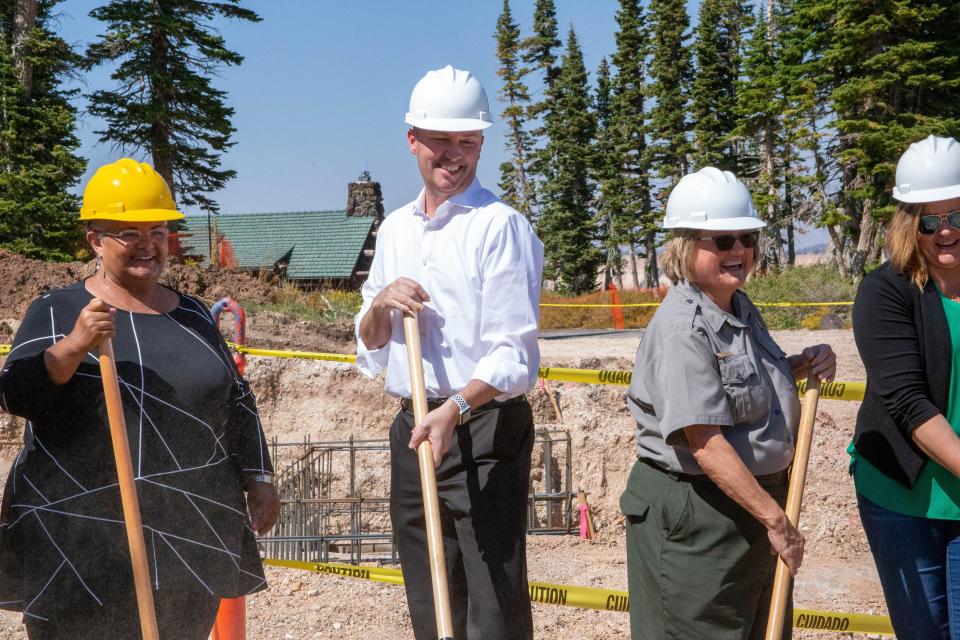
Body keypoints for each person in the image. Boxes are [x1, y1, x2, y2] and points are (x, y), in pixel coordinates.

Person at [0, 158, 279, 639]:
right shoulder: (59, 309)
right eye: (128, 232)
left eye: (157, 229)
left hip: (186, 531)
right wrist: (72, 347)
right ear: (95, 239)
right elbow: (15, 393)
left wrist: (257, 475)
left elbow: (234, 400)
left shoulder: (191, 314)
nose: (147, 243)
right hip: (77, 535)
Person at [355, 65, 543, 640]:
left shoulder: (498, 228)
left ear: (482, 142)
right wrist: (381, 304)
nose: (454, 154)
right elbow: (369, 344)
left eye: (467, 141)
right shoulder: (393, 232)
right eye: (441, 140)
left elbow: (513, 355)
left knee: (492, 599)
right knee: (429, 588)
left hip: (481, 427)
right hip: (414, 425)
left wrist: (454, 410)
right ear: (413, 140)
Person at [621, 167, 836, 640]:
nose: (738, 250)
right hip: (700, 516)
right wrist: (776, 520)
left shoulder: (737, 305)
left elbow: (742, 384)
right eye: (721, 241)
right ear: (684, 247)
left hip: (749, 507)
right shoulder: (683, 328)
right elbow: (704, 441)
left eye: (747, 238)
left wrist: (802, 363)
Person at [850, 134, 960, 639]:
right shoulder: (885, 291)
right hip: (904, 496)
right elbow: (909, 404)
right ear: (908, 222)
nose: (945, 233)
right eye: (929, 221)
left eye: (956, 216)